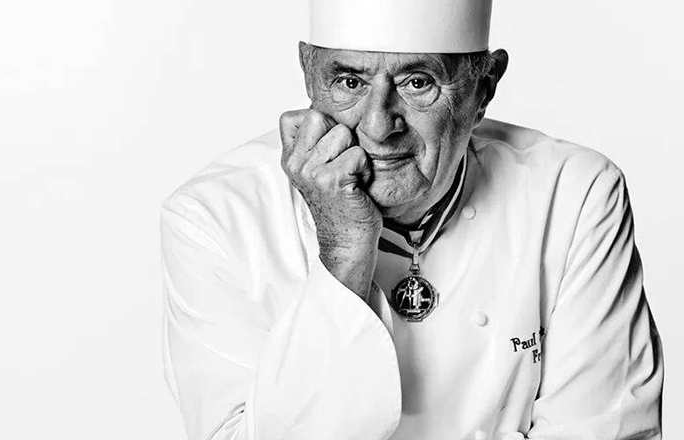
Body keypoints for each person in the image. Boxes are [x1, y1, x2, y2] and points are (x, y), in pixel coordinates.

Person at [159, 0, 664, 439]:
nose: (379, 125)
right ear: (308, 76)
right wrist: (344, 250)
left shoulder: (573, 195)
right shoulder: (214, 216)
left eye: (417, 82)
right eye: (350, 81)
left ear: (484, 88)